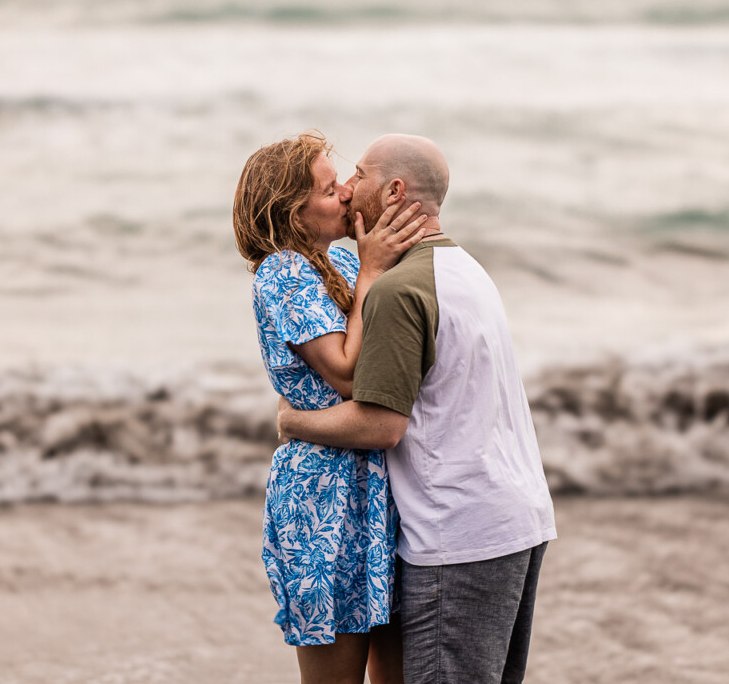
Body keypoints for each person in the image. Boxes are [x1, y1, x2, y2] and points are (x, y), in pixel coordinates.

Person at [277, 134, 558, 684]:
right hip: (518, 521)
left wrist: (292, 422)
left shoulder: (397, 290)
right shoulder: (465, 269)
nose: (348, 188)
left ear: (395, 190)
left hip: (457, 537)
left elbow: (380, 424)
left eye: (358, 174)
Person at [233, 131, 428, 684]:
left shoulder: (335, 261)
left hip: (374, 487)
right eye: (327, 189)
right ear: (293, 215)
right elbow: (345, 373)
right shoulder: (284, 273)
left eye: (340, 180)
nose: (345, 193)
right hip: (324, 498)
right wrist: (371, 271)